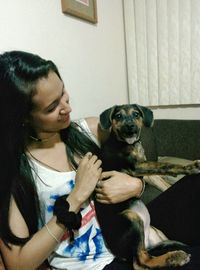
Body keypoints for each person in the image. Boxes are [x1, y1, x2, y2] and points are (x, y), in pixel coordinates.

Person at [0, 50, 200, 270]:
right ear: (23, 117)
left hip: (134, 227)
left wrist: (136, 185)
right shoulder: (15, 171)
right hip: (97, 263)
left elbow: (136, 164)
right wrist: (76, 197)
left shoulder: (91, 130)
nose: (67, 107)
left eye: (63, 93)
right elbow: (18, 264)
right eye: (52, 107)